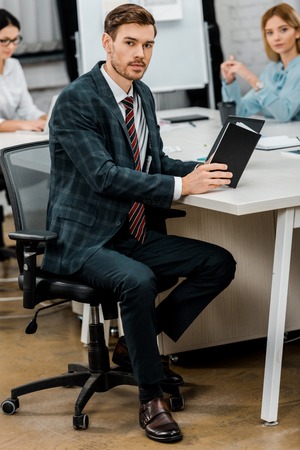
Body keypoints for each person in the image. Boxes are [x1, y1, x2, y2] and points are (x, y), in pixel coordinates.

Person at [42, 3, 236, 443]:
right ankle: (151, 400)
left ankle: (134, 344)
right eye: (130, 43)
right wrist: (180, 187)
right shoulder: (76, 100)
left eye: (148, 45)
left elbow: (155, 162)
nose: (140, 54)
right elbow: (104, 175)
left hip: (130, 232)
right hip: (84, 239)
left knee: (218, 263)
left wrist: (204, 170)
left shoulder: (141, 93)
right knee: (139, 281)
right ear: (107, 43)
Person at [220, 3, 300, 122]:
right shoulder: (270, 70)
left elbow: (284, 114)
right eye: (270, 32)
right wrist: (230, 82)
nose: (276, 38)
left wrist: (251, 79)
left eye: (283, 29)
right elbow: (239, 112)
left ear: (297, 32)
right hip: (276, 137)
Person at [0, 9, 47, 132]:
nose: (11, 46)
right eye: (4, 40)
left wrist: (47, 119)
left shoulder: (14, 66)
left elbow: (26, 109)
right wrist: (21, 124)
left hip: (14, 138)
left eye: (15, 39)